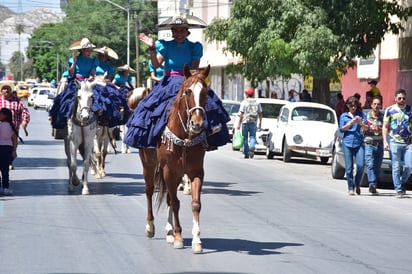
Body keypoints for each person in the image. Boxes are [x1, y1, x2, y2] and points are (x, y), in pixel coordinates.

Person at [124, 15, 230, 150]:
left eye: (182, 30)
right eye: (176, 31)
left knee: (206, 100)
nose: (179, 33)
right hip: (169, 81)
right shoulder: (165, 46)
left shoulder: (194, 47)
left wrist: (190, 81)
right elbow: (156, 65)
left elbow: (194, 68)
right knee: (150, 106)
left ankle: (208, 133)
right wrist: (152, 49)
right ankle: (153, 136)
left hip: (189, 78)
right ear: (172, 32)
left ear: (187, 32)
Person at [382, 89, 412, 198]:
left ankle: (402, 181)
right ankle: (398, 189)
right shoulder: (390, 110)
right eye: (399, 98)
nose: (402, 100)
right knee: (396, 166)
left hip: (408, 143)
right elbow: (385, 126)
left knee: (409, 166)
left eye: (403, 98)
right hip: (394, 142)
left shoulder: (410, 110)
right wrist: (385, 141)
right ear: (395, 98)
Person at [340, 96, 368, 195]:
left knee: (360, 165)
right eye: (351, 105)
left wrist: (360, 123)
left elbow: (366, 129)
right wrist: (351, 122)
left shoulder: (361, 115)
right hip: (347, 143)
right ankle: (350, 187)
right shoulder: (344, 116)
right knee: (349, 167)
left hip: (359, 142)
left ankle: (357, 183)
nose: (353, 107)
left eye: (355, 105)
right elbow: (342, 129)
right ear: (347, 105)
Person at [0, 83, 30, 169]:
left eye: (8, 88)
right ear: (1, 91)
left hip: (13, 129)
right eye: (4, 89)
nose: (6, 90)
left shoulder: (18, 101)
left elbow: (25, 112)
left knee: (12, 146)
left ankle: (9, 162)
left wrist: (24, 121)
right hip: (0, 129)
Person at [364, 96, 384, 195]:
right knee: (370, 164)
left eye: (378, 104)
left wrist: (379, 129)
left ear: (381, 106)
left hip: (379, 144)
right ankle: (372, 184)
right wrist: (369, 128)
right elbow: (362, 129)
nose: (376, 106)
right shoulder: (366, 116)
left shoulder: (384, 117)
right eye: (374, 104)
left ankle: (374, 184)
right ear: (371, 105)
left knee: (377, 167)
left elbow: (388, 129)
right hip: (369, 143)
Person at [236, 88, 262, 159]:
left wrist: (239, 124)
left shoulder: (244, 102)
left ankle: (247, 153)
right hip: (253, 122)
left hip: (245, 122)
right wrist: (260, 123)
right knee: (252, 136)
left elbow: (241, 114)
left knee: (245, 138)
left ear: (247, 94)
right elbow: (260, 113)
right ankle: (252, 146)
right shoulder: (257, 102)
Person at [0, 108, 18, 195]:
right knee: (5, 170)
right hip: (8, 149)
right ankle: (5, 188)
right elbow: (14, 139)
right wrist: (14, 150)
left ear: (5, 116)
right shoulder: (11, 126)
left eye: (1, 114)